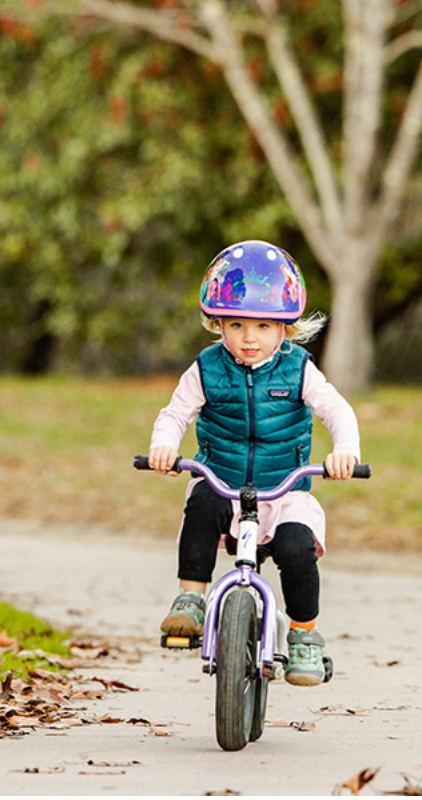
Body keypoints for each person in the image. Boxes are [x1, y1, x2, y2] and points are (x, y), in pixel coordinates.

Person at [147, 240, 361, 686]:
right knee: (201, 503)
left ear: (285, 327)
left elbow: (335, 410)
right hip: (223, 484)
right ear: (217, 324)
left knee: (297, 548)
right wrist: (164, 446)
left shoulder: (298, 369)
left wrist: (345, 451)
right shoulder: (206, 369)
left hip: (285, 490)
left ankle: (304, 635)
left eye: (263, 325)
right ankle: (191, 600)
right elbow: (175, 414)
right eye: (237, 325)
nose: (249, 338)